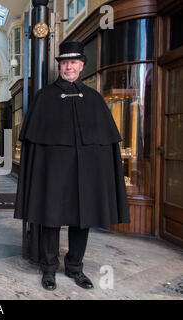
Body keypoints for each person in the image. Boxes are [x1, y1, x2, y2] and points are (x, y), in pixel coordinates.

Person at [14, 41, 130, 291]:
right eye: (64, 62)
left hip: (85, 176)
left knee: (82, 220)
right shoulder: (44, 98)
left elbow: (105, 143)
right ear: (59, 66)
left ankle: (76, 268)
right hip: (53, 174)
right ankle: (49, 269)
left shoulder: (94, 99)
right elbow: (34, 146)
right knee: (50, 218)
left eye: (73, 62)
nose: (69, 67)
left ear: (81, 66)